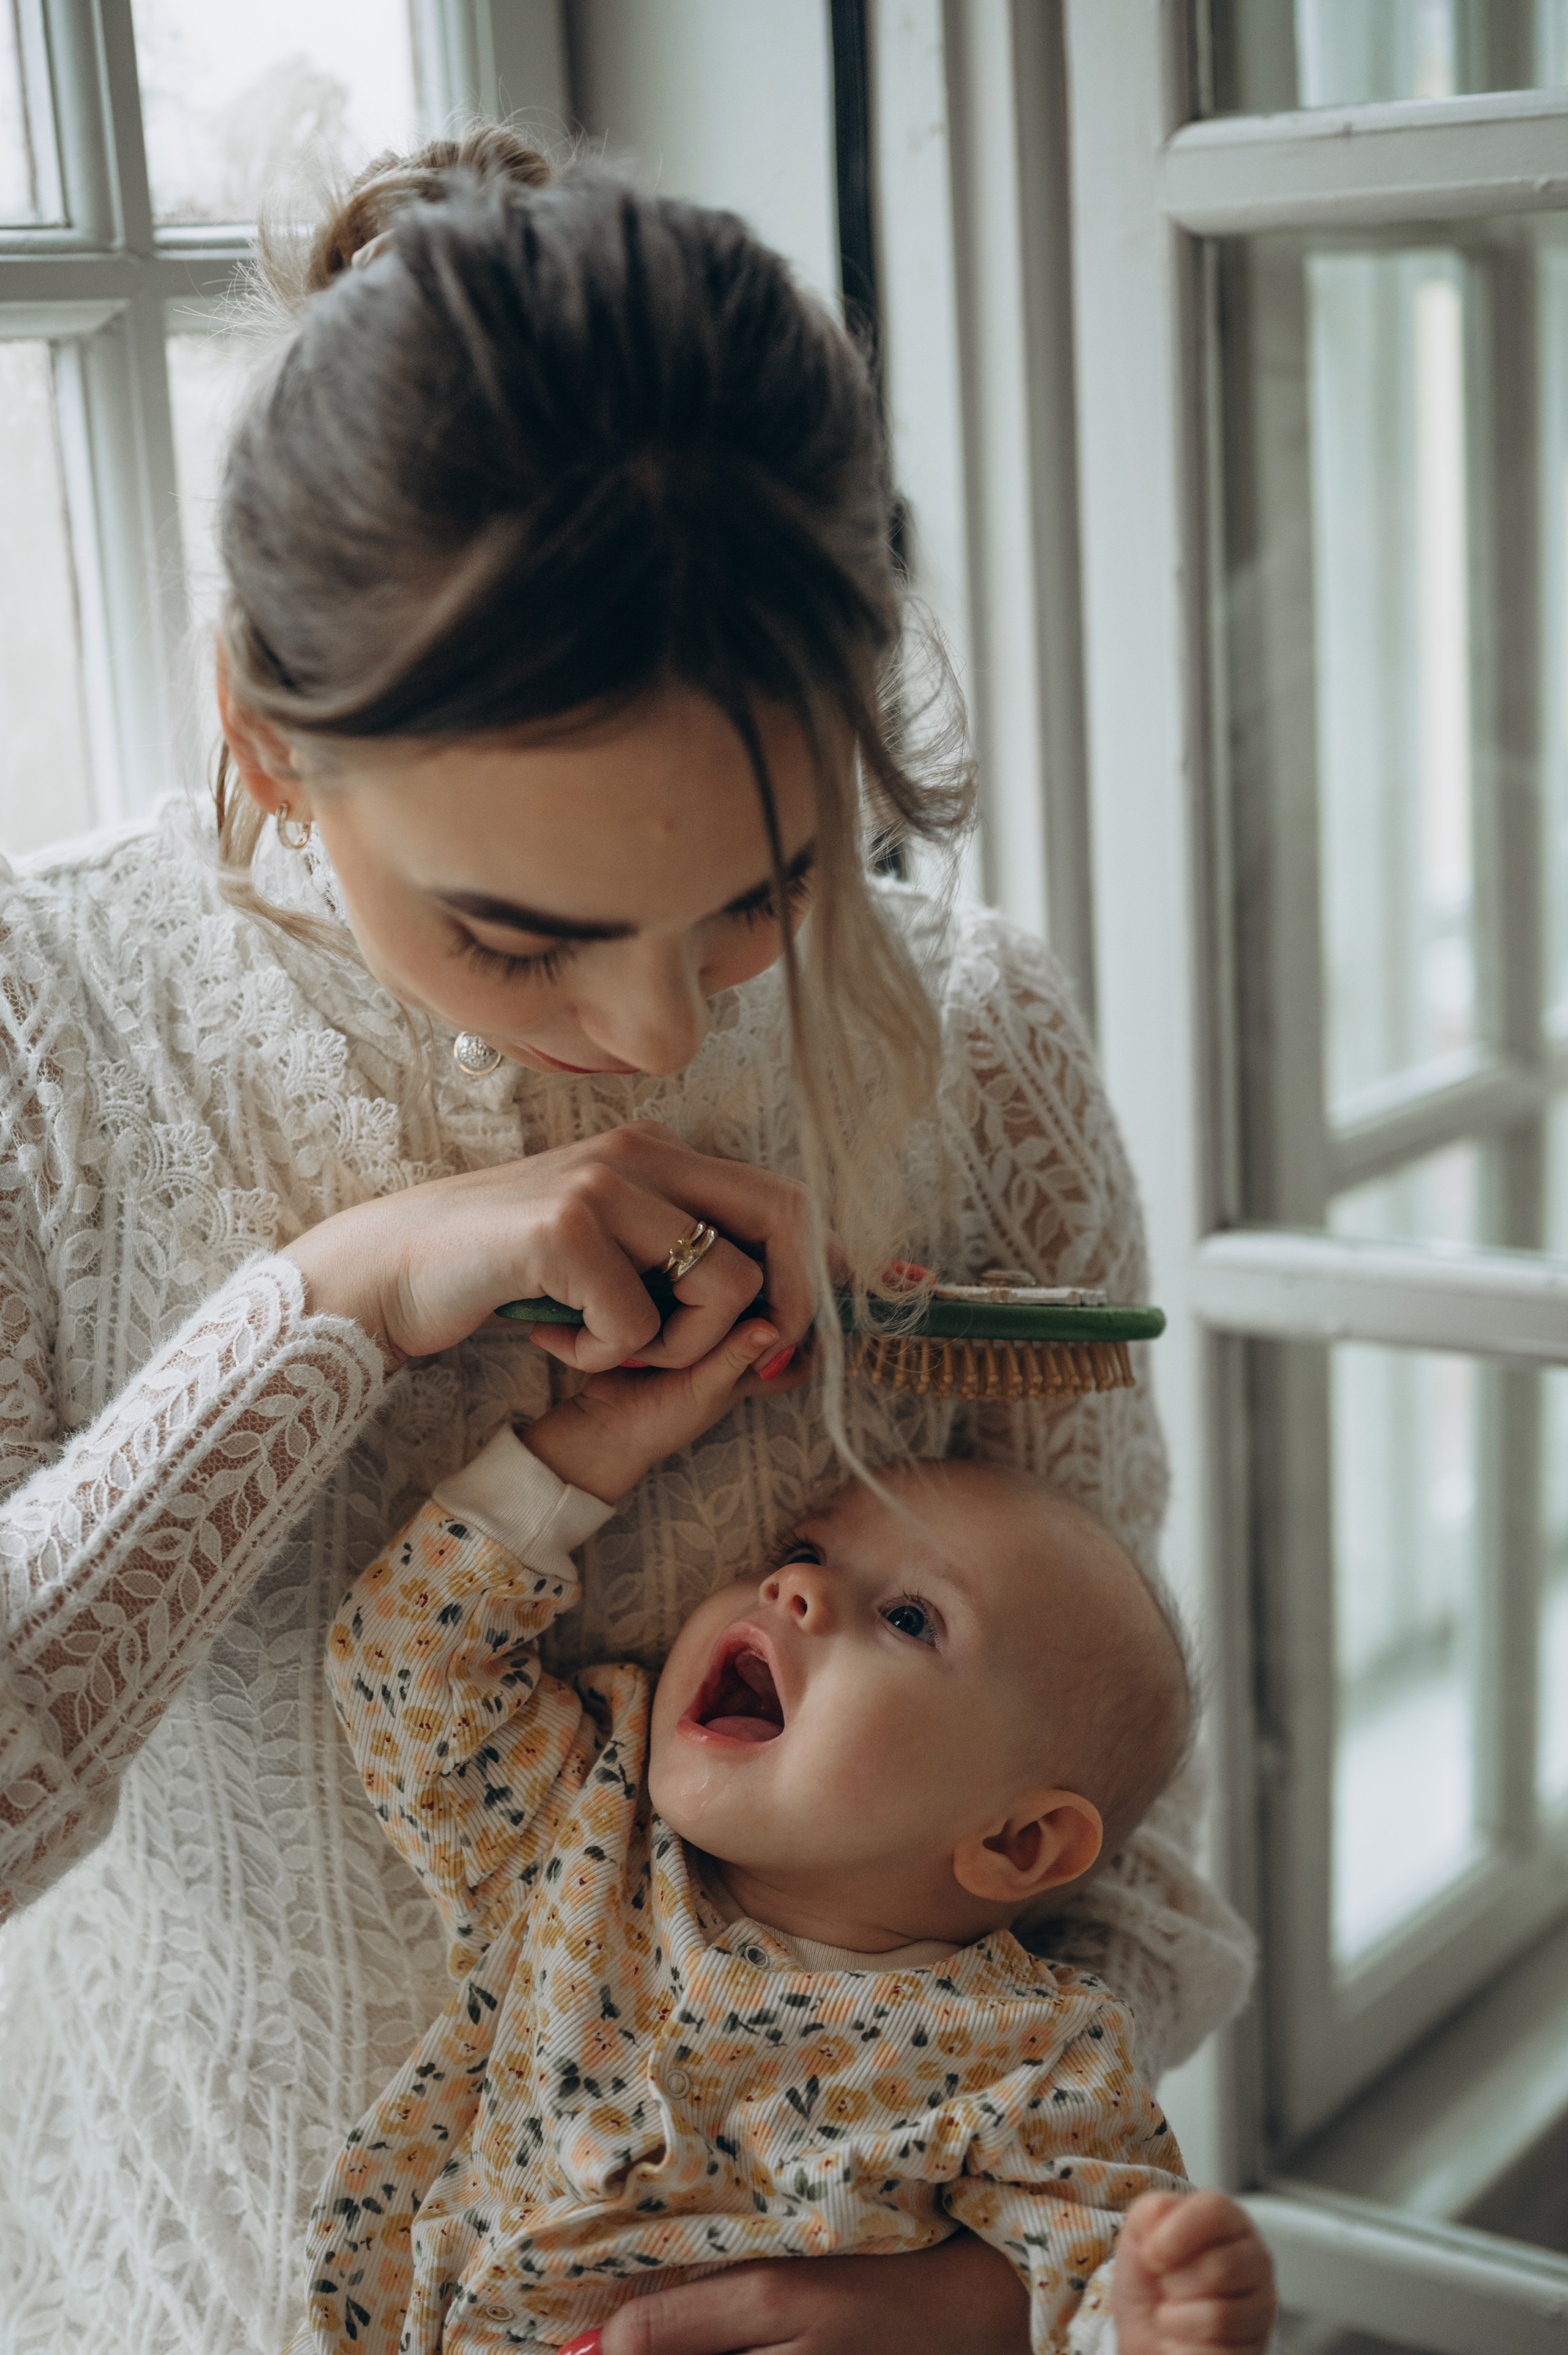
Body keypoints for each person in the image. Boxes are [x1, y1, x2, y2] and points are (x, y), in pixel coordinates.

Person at [0, 132, 1253, 2355]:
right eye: (522, 930)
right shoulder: (40, 1043)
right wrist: (329, 1303)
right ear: (264, 738)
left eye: (774, 892)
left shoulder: (975, 1033)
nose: (661, 1032)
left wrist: (975, 2292)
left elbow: (1104, 1820)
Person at [286, 1318, 1276, 2355]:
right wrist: (602, 1436)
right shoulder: (593, 1830)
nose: (790, 1587)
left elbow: (1094, 2269)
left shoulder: (1034, 2055)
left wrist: (1157, 2317)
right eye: (803, 1552)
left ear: (1019, 1844)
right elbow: (407, 1657)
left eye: (908, 1618)